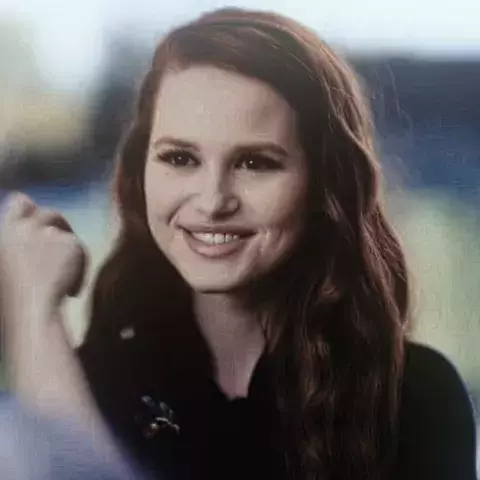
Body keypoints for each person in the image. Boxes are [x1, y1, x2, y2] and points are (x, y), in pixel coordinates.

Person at [0, 7, 477, 480]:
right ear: (141, 173)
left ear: (325, 185)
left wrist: (37, 321)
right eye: (180, 158)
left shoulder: (415, 399)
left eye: (255, 163)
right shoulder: (89, 383)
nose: (212, 202)